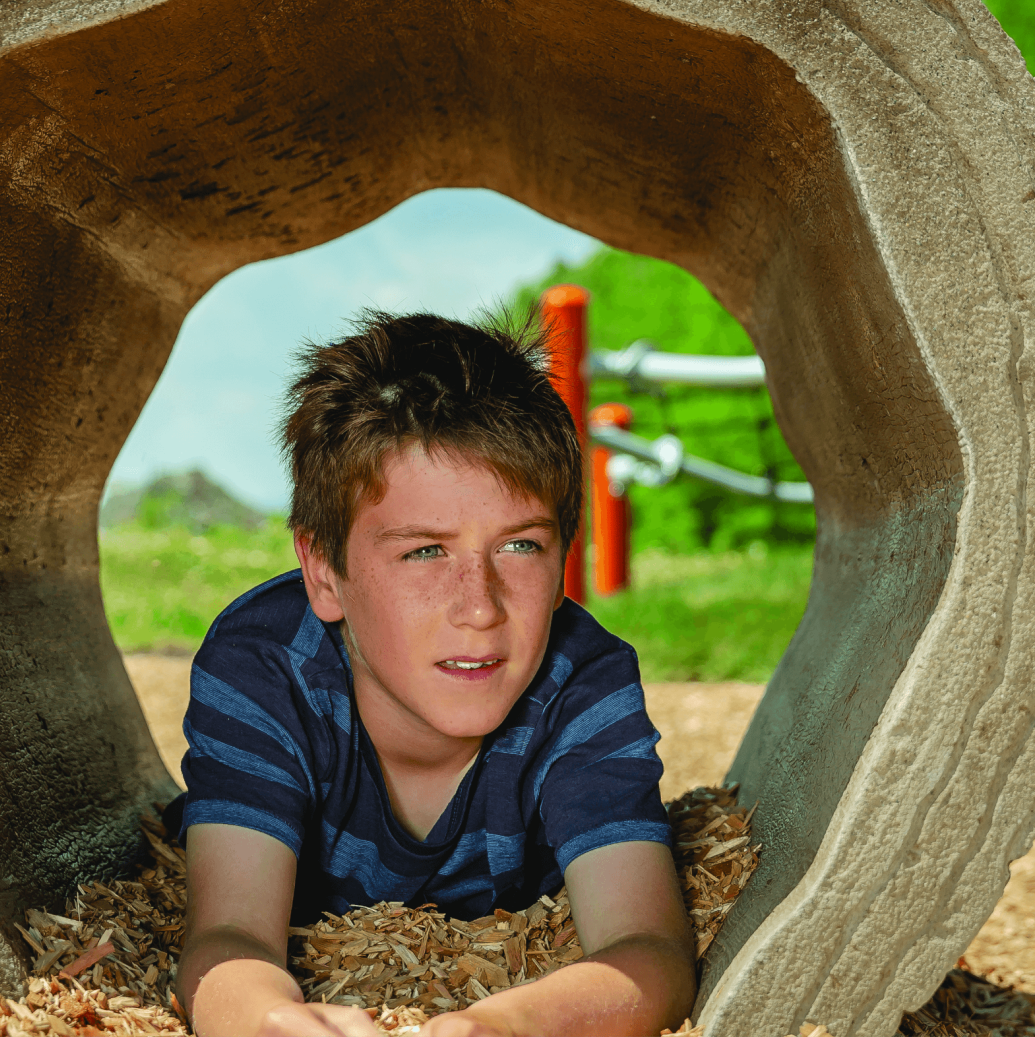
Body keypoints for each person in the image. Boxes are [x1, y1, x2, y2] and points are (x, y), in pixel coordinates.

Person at [170, 312, 694, 1037]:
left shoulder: (581, 683)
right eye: (424, 552)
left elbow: (650, 949)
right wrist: (269, 1022)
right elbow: (229, 935)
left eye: (519, 546)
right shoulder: (266, 668)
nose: (479, 607)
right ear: (324, 570)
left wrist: (501, 1028)